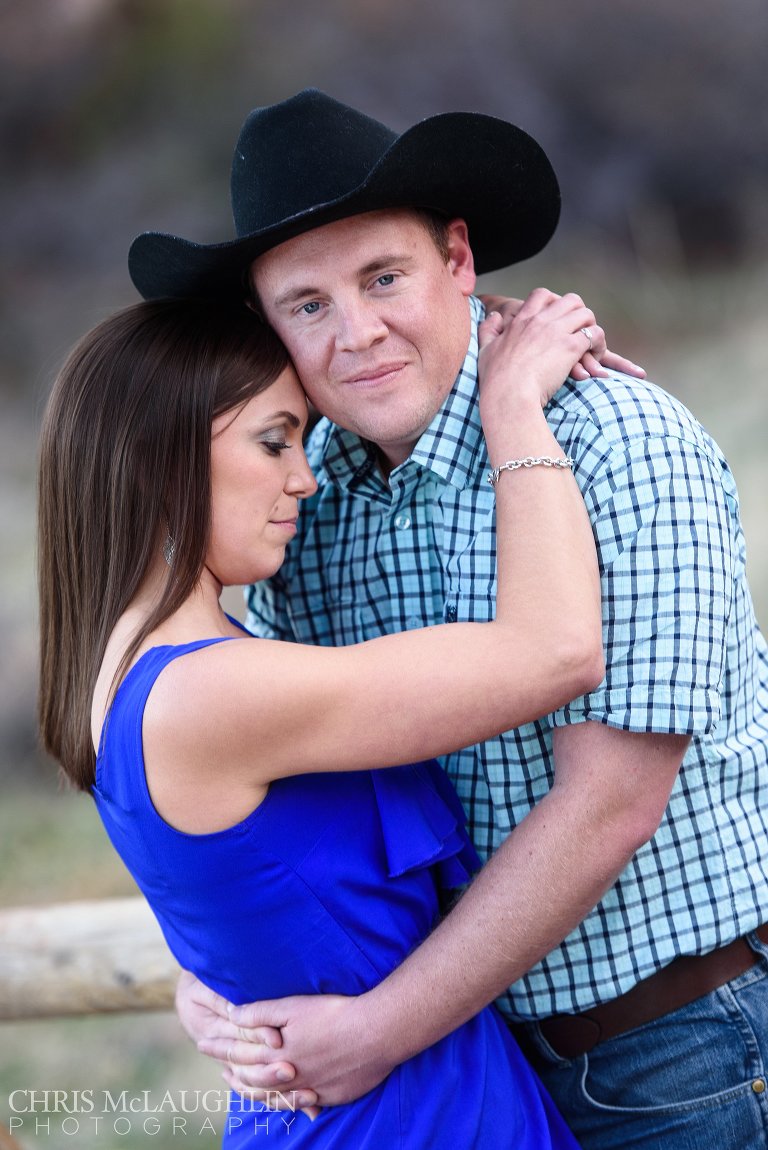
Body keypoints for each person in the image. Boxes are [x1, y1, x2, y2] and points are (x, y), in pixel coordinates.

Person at [130, 90, 768, 1150]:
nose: (359, 332)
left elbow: (611, 802)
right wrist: (209, 984)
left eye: (384, 278)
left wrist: (381, 1030)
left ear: (460, 261)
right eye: (308, 303)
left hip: (680, 1048)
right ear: (269, 326)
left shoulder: (618, 441)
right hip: (477, 1069)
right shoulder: (308, 497)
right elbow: (267, 782)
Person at [38, 294, 606, 1146]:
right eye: (274, 442)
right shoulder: (207, 695)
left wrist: (210, 985)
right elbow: (557, 652)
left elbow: (241, 897)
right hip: (403, 1121)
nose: (303, 477)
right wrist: (513, 405)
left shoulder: (128, 670)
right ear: (159, 463)